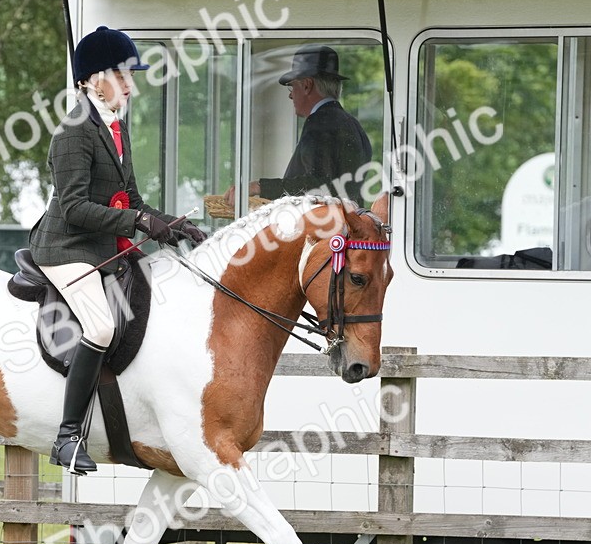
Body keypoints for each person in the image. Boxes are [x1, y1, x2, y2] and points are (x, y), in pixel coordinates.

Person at [29, 25, 205, 474]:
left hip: (102, 244)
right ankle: (68, 436)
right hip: (66, 247)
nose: (130, 85)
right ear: (91, 79)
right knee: (102, 327)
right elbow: (73, 209)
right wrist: (137, 221)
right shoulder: (73, 132)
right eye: (122, 75)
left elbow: (131, 200)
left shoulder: (114, 126)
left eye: (130, 76)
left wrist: (173, 225)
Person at [226, 44, 372, 205]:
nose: (290, 96)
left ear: (307, 85)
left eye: (292, 86)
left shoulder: (320, 122)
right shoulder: (353, 125)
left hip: (319, 227)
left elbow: (317, 184)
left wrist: (258, 187)